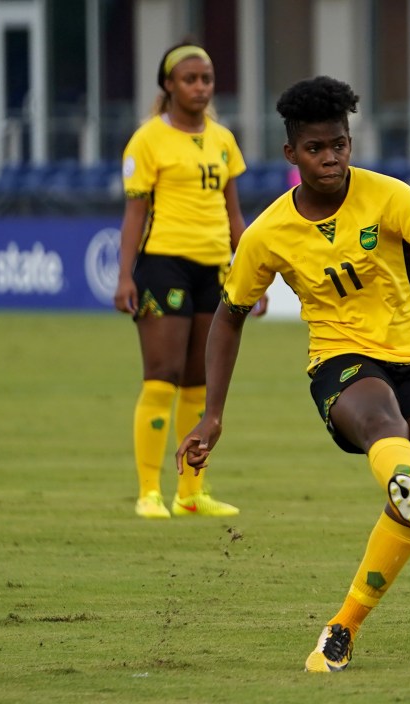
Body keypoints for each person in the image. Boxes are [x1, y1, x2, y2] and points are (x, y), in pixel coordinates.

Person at [175, 75, 410, 672]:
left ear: (351, 143)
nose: (331, 159)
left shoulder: (390, 196)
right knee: (381, 424)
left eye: (340, 145)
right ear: (291, 154)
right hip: (341, 361)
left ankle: (342, 626)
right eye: (317, 149)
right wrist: (212, 414)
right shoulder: (267, 232)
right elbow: (229, 316)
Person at [114, 42, 264, 519]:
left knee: (200, 383)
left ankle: (190, 492)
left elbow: (234, 215)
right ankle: (148, 492)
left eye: (207, 79)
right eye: (190, 79)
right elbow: (134, 216)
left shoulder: (223, 139)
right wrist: (124, 276)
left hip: (215, 267)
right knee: (163, 376)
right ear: (168, 85)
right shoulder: (147, 140)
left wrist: (252, 273)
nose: (201, 87)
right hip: (163, 264)